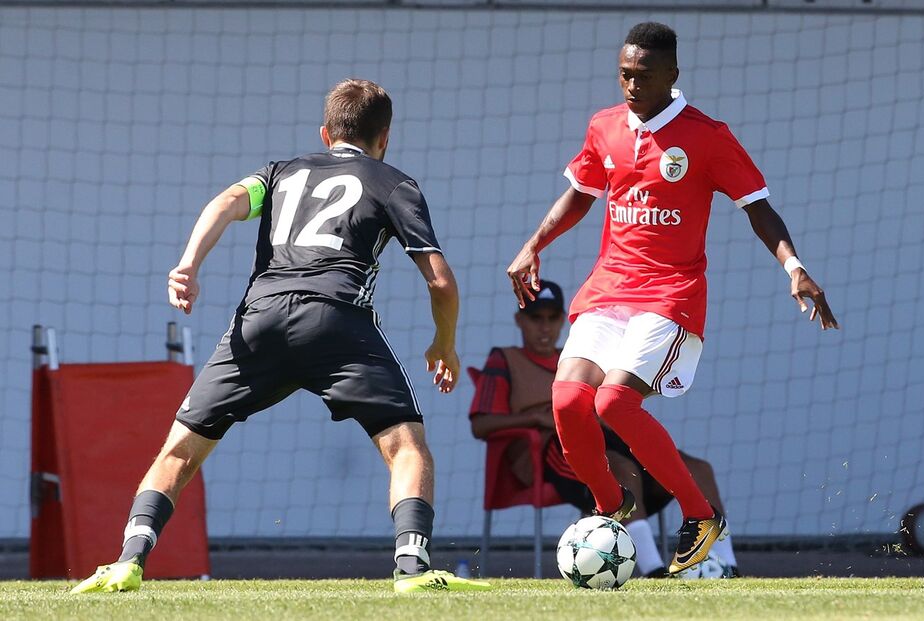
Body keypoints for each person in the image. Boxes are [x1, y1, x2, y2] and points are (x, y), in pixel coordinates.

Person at [71, 79, 490, 594]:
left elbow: (225, 201)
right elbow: (441, 282)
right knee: (407, 446)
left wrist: (187, 265)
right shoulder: (393, 182)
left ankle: (128, 562)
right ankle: (411, 569)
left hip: (260, 321)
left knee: (179, 451)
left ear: (325, 131)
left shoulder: (279, 173)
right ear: (385, 138)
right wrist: (443, 343)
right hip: (336, 322)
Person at [506, 23, 838, 576]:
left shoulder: (707, 135)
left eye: (642, 76)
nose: (630, 86)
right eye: (624, 75)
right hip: (608, 287)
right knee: (567, 401)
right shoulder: (604, 126)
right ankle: (612, 506)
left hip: (670, 293)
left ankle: (701, 514)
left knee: (614, 403)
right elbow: (581, 194)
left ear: (672, 76)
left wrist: (794, 266)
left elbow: (758, 207)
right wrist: (533, 244)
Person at [469, 280, 739, 578]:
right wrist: (536, 419)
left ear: (564, 320)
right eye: (536, 318)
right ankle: (653, 570)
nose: (544, 327)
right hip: (548, 453)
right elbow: (481, 424)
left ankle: (728, 566)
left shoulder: (587, 353)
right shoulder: (504, 359)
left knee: (699, 469)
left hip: (605, 439)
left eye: (552, 318)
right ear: (520, 320)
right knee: (622, 469)